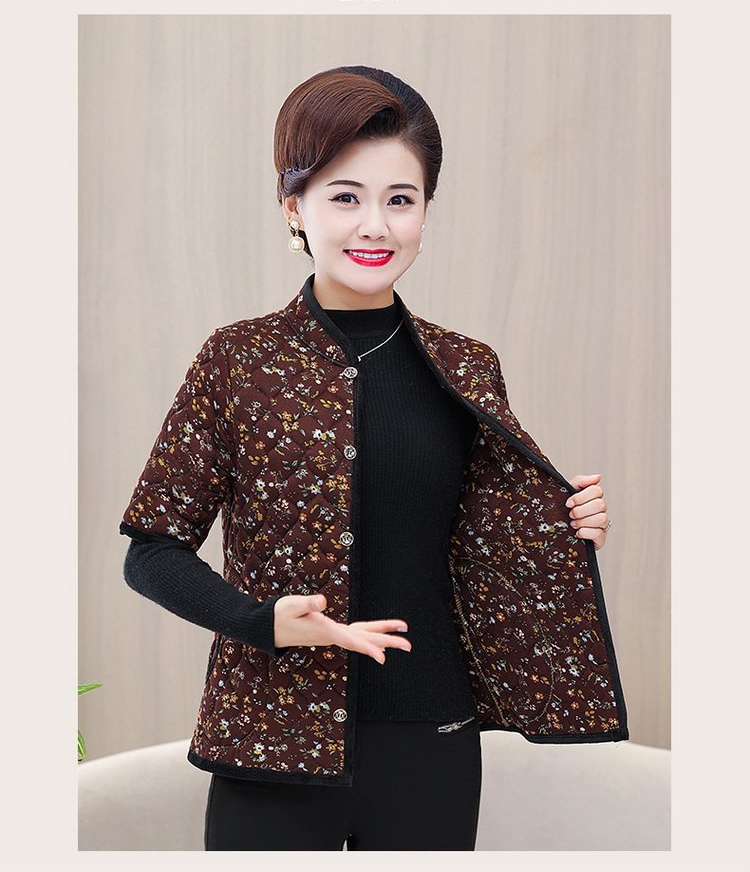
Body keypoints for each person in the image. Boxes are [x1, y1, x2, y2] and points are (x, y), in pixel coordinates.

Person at [120, 65, 622, 851]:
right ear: (295, 207)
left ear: (426, 211)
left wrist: (566, 521)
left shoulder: (467, 365)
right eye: (345, 197)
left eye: (401, 200)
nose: (376, 227)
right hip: (270, 739)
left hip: (431, 740)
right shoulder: (236, 361)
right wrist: (264, 622)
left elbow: (484, 548)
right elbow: (150, 550)